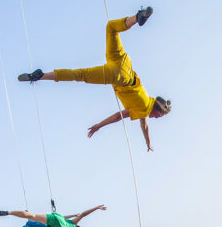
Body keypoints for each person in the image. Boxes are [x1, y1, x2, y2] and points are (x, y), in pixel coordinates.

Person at [18, 9, 171, 151]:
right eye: (159, 116)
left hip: (123, 62)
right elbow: (121, 117)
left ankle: (137, 18)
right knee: (79, 75)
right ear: (157, 109)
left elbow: (145, 126)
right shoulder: (144, 107)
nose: (156, 118)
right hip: (119, 75)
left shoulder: (147, 100)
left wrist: (148, 142)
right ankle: (42, 76)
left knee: (111, 27)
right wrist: (99, 125)